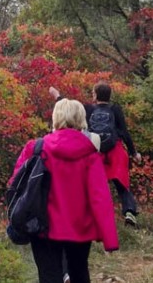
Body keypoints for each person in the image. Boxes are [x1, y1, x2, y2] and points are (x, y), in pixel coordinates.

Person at [9, 99, 119, 283]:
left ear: (56, 118)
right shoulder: (90, 153)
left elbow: (15, 184)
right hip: (80, 227)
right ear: (82, 119)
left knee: (50, 281)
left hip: (42, 227)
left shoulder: (35, 148)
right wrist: (109, 239)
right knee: (80, 271)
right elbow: (100, 196)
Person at [49, 83, 141, 226]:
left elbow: (68, 109)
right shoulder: (115, 109)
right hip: (116, 150)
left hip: (96, 151)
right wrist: (134, 152)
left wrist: (57, 95)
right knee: (122, 184)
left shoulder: (88, 109)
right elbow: (124, 132)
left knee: (94, 186)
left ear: (95, 95)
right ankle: (129, 212)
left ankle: (93, 217)